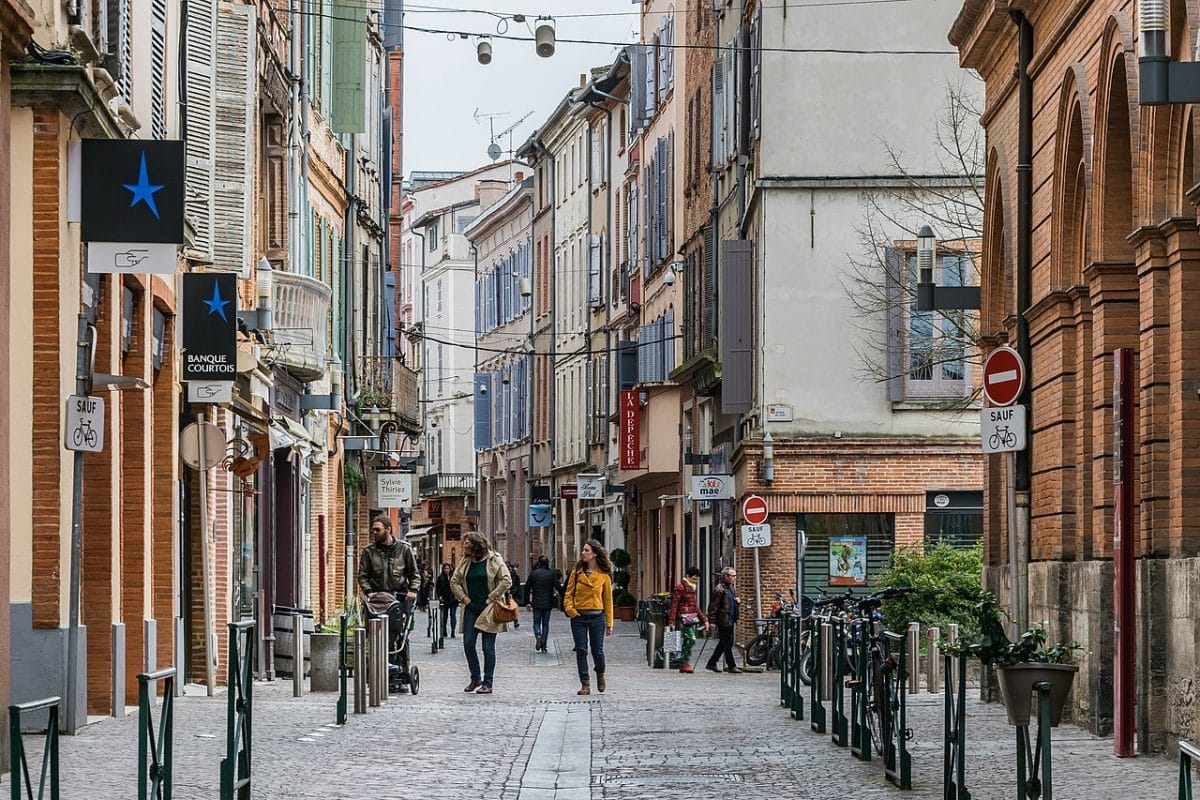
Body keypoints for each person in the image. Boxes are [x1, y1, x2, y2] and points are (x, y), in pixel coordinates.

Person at [356, 515, 420, 688]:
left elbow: (414, 574)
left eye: (377, 529)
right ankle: (377, 669)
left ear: (388, 529)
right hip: (377, 599)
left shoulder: (404, 550)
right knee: (375, 634)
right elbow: (362, 575)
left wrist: (413, 590)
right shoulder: (369, 551)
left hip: (399, 597)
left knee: (399, 634)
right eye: (373, 530)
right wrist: (369, 592)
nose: (373, 533)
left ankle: (401, 669)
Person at [450, 532, 512, 694]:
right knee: (468, 643)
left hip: (489, 608)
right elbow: (454, 582)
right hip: (471, 607)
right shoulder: (466, 561)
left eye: (467, 542)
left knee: (487, 647)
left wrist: (491, 597)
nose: (464, 545)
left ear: (477, 544)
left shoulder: (494, 559)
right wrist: (464, 598)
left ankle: (488, 683)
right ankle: (475, 677)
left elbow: (507, 580)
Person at [562, 540, 614, 695]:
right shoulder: (577, 571)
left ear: (595, 553)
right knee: (581, 650)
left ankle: (600, 674)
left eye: (586, 550)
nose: (583, 552)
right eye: (583, 550)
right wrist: (571, 610)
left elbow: (608, 601)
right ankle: (585, 683)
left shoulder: (604, 576)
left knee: (597, 650)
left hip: (597, 617)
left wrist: (609, 622)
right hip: (579, 617)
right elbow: (568, 592)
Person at [667, 566, 710, 673]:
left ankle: (684, 663)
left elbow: (695, 606)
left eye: (697, 579)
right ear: (688, 576)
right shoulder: (680, 588)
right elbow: (674, 605)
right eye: (694, 578)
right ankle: (683, 660)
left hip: (690, 618)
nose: (696, 581)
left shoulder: (691, 588)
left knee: (688, 640)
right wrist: (671, 621)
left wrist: (704, 619)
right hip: (682, 618)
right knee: (692, 638)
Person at [705, 566, 742, 673]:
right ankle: (731, 665)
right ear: (726, 576)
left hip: (730, 619)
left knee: (724, 642)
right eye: (732, 576)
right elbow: (713, 607)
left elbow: (730, 603)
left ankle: (712, 663)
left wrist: (737, 602)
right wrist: (711, 621)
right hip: (723, 620)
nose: (734, 578)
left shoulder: (731, 588)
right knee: (728, 643)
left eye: (735, 575)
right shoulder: (719, 590)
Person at [524, 555, 558, 652]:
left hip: (536, 602)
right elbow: (558, 586)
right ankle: (544, 645)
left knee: (536, 622)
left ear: (539, 563)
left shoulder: (534, 574)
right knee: (546, 624)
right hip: (548, 602)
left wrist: (527, 602)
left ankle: (538, 635)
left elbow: (527, 587)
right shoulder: (551, 574)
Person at [434, 562, 459, 637]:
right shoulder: (441, 578)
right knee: (444, 616)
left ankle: (453, 631)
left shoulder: (454, 577)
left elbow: (458, 586)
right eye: (445, 568)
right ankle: (444, 630)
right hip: (444, 600)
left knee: (453, 615)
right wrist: (440, 596)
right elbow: (438, 589)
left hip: (453, 600)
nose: (447, 570)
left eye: (448, 568)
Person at [507, 562, 523, 629]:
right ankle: (514, 621)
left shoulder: (514, 575)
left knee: (512, 608)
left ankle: (515, 621)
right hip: (510, 593)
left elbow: (517, 586)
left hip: (511, 593)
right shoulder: (514, 575)